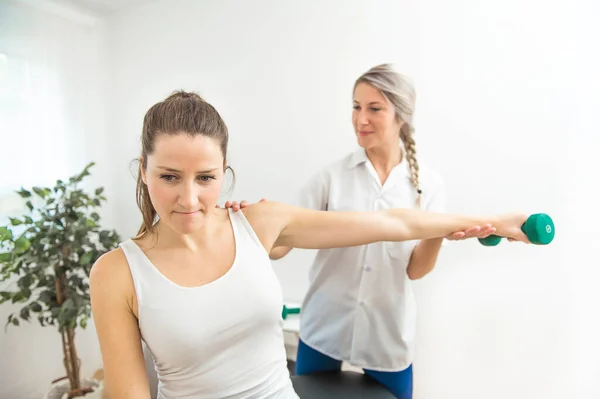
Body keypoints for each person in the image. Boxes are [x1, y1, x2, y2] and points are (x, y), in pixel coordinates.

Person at [89, 89, 529, 399]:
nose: (189, 199)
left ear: (224, 171)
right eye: (169, 176)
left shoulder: (258, 223)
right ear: (142, 170)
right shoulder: (116, 273)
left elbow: (391, 221)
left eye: (205, 178)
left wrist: (495, 221)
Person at [225, 63, 494, 399]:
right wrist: (253, 226)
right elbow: (281, 245)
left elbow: (416, 269)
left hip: (387, 338)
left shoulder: (429, 184)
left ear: (401, 116)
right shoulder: (331, 178)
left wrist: (436, 233)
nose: (360, 119)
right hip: (323, 328)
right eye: (356, 106)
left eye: (374, 109)